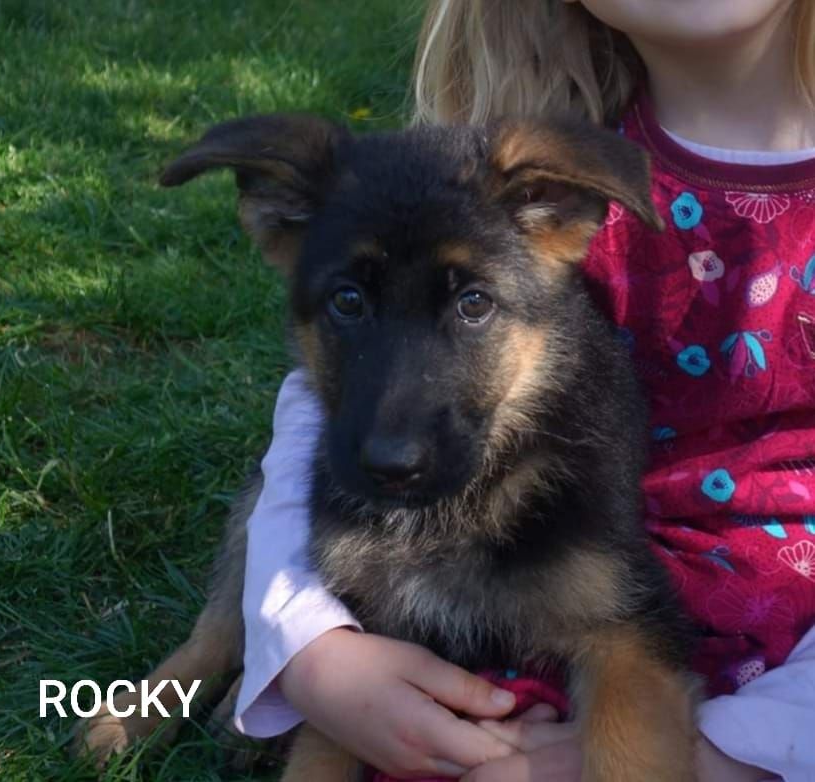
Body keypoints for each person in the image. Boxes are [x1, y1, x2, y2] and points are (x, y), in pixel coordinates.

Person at [234, 1, 815, 780]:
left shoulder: (537, 185)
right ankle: (198, 664)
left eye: (472, 303)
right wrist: (307, 646)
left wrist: (729, 753)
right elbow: (320, 420)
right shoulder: (476, 178)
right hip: (520, 579)